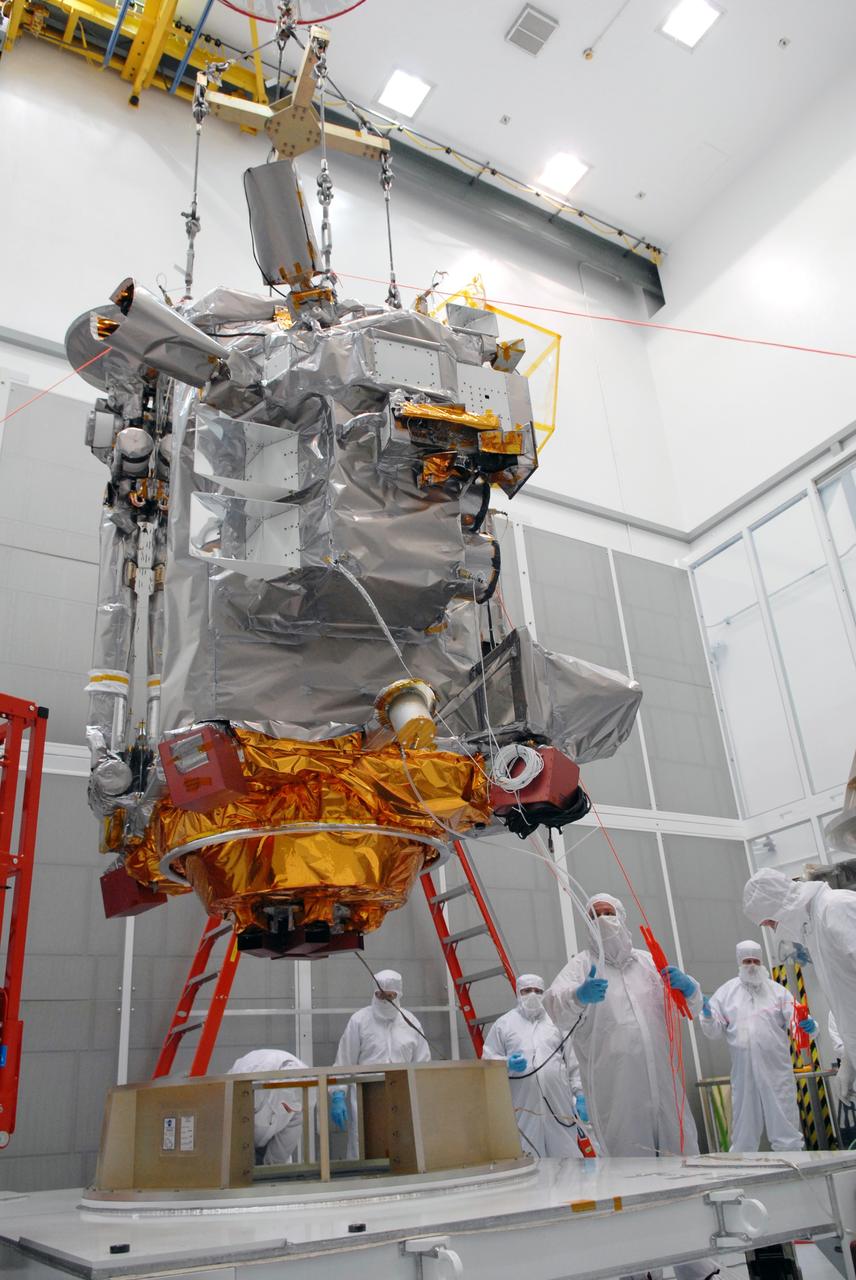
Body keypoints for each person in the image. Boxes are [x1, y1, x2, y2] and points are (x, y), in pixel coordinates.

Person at [545, 892, 719, 1280]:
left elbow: (691, 1011)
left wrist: (690, 988)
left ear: (622, 916)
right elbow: (552, 1006)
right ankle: (641, 1269)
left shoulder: (648, 963)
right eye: (595, 914)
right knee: (629, 1178)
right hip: (618, 1094)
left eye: (609, 912)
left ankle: (694, 1264)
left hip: (666, 1090)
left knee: (681, 1172)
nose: (604, 919)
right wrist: (578, 995)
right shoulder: (582, 965)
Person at [744, 867, 856, 1103]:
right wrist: (849, 1059)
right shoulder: (814, 928)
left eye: (770, 924)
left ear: (781, 908)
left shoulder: (835, 908)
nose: (774, 931)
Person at [700, 940, 813, 1152]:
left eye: (755, 961)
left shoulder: (778, 992)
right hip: (743, 1069)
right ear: (739, 963)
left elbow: (798, 1022)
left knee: (783, 1114)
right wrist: (707, 1014)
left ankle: (792, 1159)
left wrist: (810, 1026)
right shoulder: (726, 993)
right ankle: (743, 1162)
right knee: (744, 1118)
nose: (751, 965)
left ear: (761, 962)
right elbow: (713, 1031)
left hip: (776, 1066)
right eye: (746, 961)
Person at [483, 973, 586, 1159]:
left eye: (538, 991)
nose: (532, 995)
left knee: (567, 1156)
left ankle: (570, 1188)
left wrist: (580, 1094)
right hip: (522, 1104)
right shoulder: (504, 1024)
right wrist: (506, 1063)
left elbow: (573, 1061)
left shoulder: (556, 1021)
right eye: (526, 990)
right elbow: (487, 1060)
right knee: (528, 1156)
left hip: (559, 1103)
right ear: (518, 993)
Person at [331, 968, 430, 1157]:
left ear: (399, 995)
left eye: (390, 996)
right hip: (366, 1095)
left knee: (404, 1145)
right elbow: (344, 1061)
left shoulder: (411, 1023)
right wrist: (338, 1096)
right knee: (365, 1144)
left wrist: (424, 1095)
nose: (385, 1001)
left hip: (403, 1094)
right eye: (380, 995)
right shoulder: (359, 1021)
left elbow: (423, 1062)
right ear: (374, 994)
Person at [229, 1048, 307, 1166]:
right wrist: (246, 1166)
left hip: (269, 1139)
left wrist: (270, 1170)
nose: (289, 1110)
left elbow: (291, 1131)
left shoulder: (308, 1087)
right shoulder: (252, 1078)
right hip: (234, 1141)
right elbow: (237, 1125)